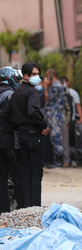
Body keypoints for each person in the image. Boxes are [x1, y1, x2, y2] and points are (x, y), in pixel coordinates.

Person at [1, 62, 49, 208]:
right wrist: (43, 125)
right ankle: (34, 207)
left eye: (38, 74)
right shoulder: (31, 92)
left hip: (20, 136)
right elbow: (33, 111)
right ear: (26, 76)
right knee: (35, 173)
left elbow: (5, 115)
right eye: (34, 74)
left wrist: (19, 124)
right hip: (32, 136)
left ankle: (23, 208)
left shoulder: (16, 92)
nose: (37, 77)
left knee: (26, 173)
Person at [0, 67, 25, 214]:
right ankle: (21, 209)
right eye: (17, 79)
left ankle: (4, 210)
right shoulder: (11, 96)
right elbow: (16, 119)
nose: (18, 82)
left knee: (1, 178)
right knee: (18, 176)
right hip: (12, 142)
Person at [44, 69, 64, 168]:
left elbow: (47, 98)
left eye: (48, 76)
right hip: (52, 115)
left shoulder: (56, 86)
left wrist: (45, 86)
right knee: (52, 137)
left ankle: (59, 161)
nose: (47, 79)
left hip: (55, 115)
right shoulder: (56, 85)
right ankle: (54, 160)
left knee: (56, 137)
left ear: (51, 76)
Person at [60, 76, 82, 150]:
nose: (64, 84)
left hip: (71, 119)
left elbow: (78, 106)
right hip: (61, 120)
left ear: (68, 83)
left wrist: (81, 118)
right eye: (62, 82)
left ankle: (72, 155)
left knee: (70, 138)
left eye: (65, 82)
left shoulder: (73, 93)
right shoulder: (58, 92)